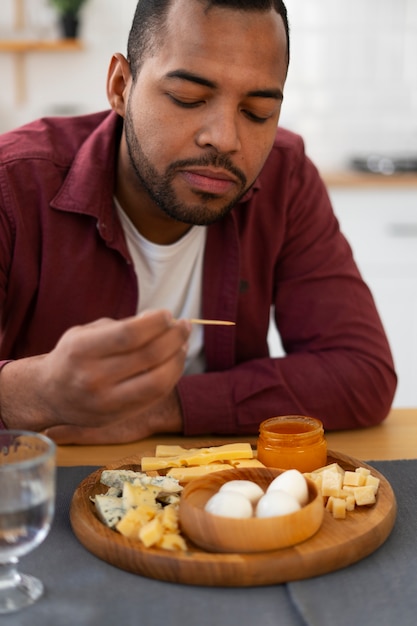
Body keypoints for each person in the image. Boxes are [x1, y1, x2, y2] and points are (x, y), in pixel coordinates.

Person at [0, 0, 396, 445]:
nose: (224, 139)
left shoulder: (285, 175)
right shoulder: (12, 184)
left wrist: (161, 407)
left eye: (257, 112)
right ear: (120, 86)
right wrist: (42, 390)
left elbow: (361, 373)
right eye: (188, 98)